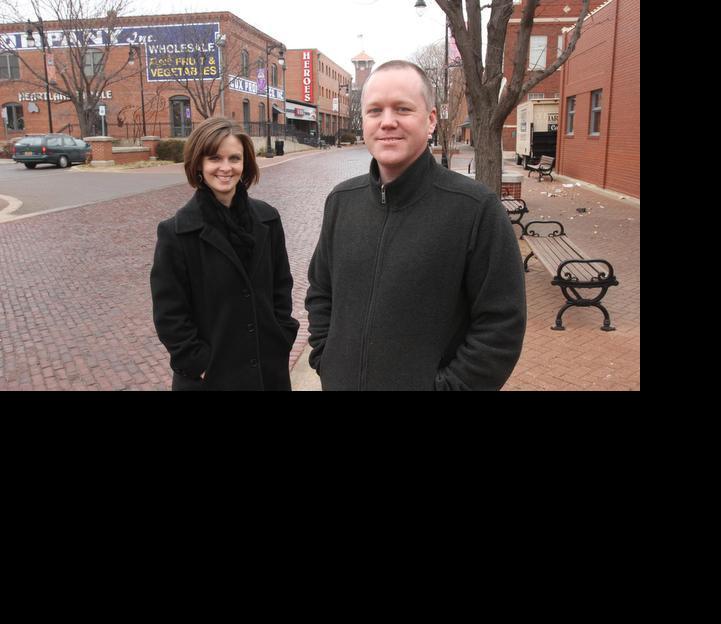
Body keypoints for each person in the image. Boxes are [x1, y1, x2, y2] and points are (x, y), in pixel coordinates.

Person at [305, 60, 526, 390]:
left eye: (403, 109)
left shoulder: (475, 209)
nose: (388, 122)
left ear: (431, 119)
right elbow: (321, 292)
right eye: (375, 110)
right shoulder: (342, 201)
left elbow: (501, 325)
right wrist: (327, 359)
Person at [150, 116, 300, 390]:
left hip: (267, 373)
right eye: (215, 159)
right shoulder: (176, 233)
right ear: (199, 164)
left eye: (234, 158)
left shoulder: (267, 219)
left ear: (245, 164)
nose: (225, 168)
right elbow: (169, 314)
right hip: (212, 378)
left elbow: (281, 285)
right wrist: (198, 363)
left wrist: (282, 335)